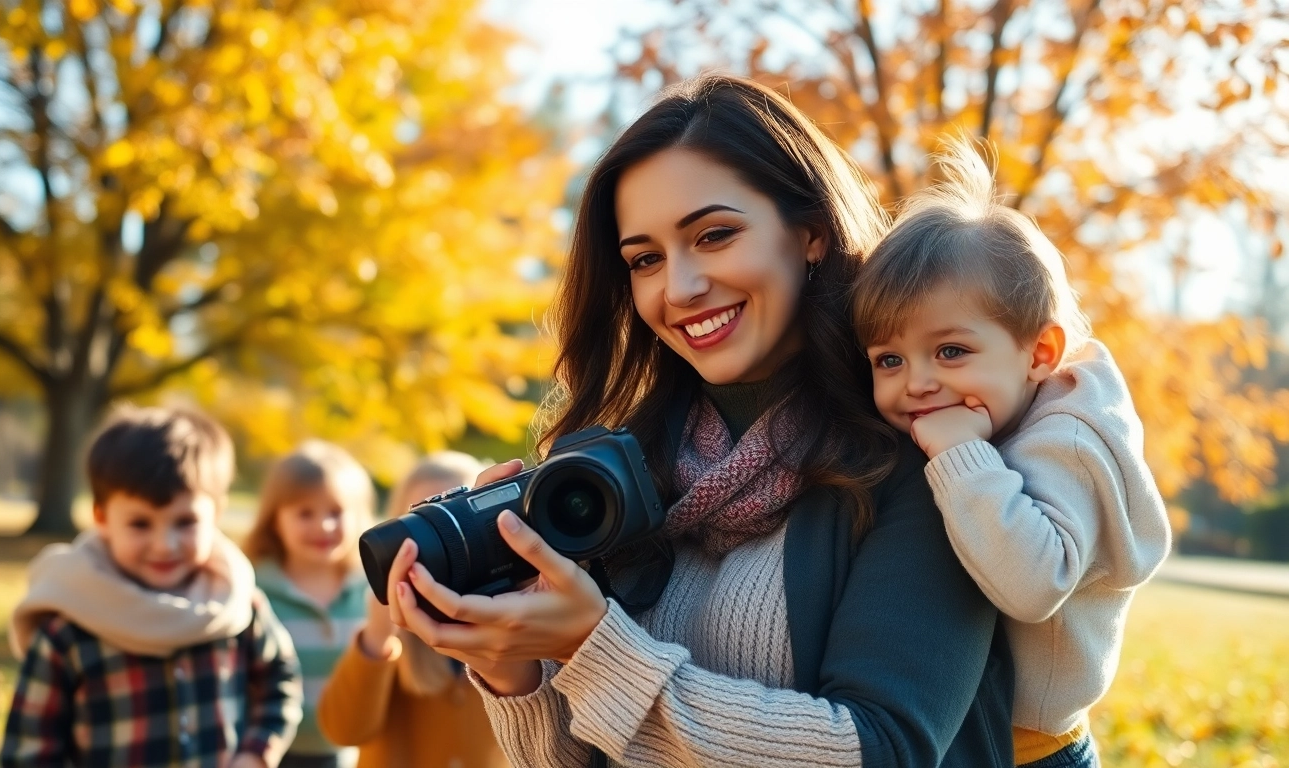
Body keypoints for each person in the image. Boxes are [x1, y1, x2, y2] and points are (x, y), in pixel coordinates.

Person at [380, 74, 1015, 767]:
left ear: (811, 232)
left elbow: (884, 751)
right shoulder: (617, 472)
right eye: (645, 259)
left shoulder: (927, 458)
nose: (678, 288)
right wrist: (517, 670)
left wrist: (591, 647)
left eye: (713, 235)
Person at [850, 138, 1171, 768]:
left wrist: (960, 458)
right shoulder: (984, 413)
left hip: (1035, 751)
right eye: (890, 359)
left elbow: (1032, 585)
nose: (916, 382)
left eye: (951, 352)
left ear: (1040, 353)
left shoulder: (1070, 441)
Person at [2, 405, 302, 768]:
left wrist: (256, 754)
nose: (165, 544)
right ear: (102, 517)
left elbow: (280, 683)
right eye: (140, 524)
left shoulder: (236, 606)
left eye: (185, 522)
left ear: (217, 513)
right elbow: (30, 750)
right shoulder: (69, 626)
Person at [316, 451, 509, 768]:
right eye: (425, 523)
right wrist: (377, 637)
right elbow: (343, 730)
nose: (445, 539)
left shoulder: (511, 612)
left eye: (457, 518)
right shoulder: (394, 632)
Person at [243, 441, 377, 768]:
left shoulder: (370, 591)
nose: (324, 526)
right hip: (268, 752)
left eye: (336, 513)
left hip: (347, 753)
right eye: (305, 513)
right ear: (275, 519)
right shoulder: (253, 590)